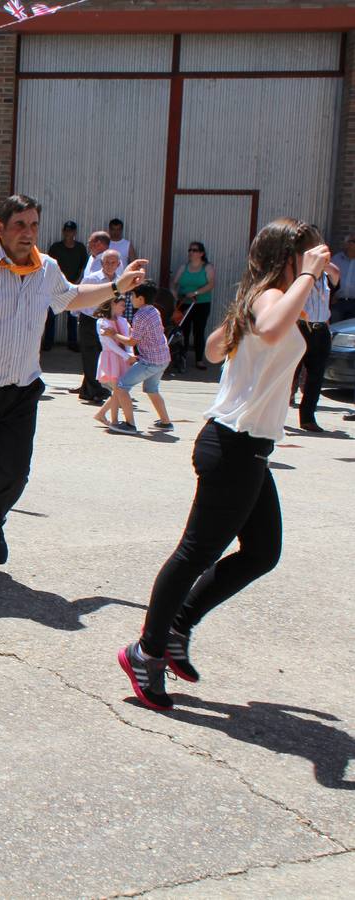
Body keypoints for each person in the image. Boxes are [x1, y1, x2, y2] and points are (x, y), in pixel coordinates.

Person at [117, 219, 328, 711]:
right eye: (310, 253)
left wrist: (248, 323)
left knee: (261, 551)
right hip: (232, 446)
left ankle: (177, 628)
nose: (319, 258)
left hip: (248, 448)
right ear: (289, 257)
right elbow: (272, 329)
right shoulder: (270, 300)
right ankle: (145, 651)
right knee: (195, 553)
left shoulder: (263, 298)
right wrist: (307, 279)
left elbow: (213, 350)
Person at [0, 194, 148, 579]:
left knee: (16, 474)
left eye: (34, 225)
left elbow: (71, 298)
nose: (28, 233)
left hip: (22, 390)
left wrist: (117, 286)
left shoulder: (46, 269)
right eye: (20, 225)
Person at [111, 283, 174, 432]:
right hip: (163, 358)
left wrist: (113, 334)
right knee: (152, 389)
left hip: (150, 361)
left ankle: (130, 424)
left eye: (132, 296)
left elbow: (132, 341)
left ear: (141, 298)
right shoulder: (154, 310)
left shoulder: (140, 315)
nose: (130, 299)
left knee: (121, 386)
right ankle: (166, 422)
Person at [293, 264, 340, 432]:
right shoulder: (300, 276)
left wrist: (323, 262)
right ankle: (276, 413)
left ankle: (307, 418)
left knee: (316, 376)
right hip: (300, 328)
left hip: (320, 329)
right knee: (289, 373)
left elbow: (336, 274)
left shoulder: (326, 278)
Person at [75, 234, 115, 403]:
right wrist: (76, 313)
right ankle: (92, 390)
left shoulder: (118, 280)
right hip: (89, 317)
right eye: (107, 263)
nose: (110, 265)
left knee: (99, 355)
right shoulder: (93, 274)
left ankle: (89, 388)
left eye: (113, 263)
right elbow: (80, 293)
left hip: (105, 319)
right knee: (90, 354)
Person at [91, 295, 135, 431]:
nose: (124, 308)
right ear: (112, 304)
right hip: (111, 359)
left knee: (119, 391)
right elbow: (109, 344)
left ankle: (102, 414)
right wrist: (125, 355)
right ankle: (114, 421)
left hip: (123, 359)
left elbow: (129, 340)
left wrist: (130, 353)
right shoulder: (102, 322)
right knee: (117, 390)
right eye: (121, 305)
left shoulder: (123, 321)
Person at [171, 241, 216, 370]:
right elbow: (174, 282)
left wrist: (196, 292)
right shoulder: (183, 267)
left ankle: (199, 360)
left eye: (194, 250)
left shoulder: (207, 267)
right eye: (190, 250)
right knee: (182, 330)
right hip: (184, 303)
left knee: (199, 331)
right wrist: (174, 293)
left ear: (201, 253)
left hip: (201, 303)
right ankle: (182, 357)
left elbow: (211, 284)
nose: (191, 252)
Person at [44, 220, 86, 352]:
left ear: (75, 232)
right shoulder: (56, 247)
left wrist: (77, 282)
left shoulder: (80, 248)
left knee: (72, 316)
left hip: (72, 286)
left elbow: (82, 267)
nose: (69, 233)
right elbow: (49, 266)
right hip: (55, 286)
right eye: (66, 230)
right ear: (63, 231)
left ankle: (72, 343)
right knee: (51, 316)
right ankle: (48, 342)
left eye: (71, 231)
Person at [331, 233, 355, 323]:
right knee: (335, 330)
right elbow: (327, 277)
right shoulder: (336, 259)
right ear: (346, 244)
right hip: (338, 303)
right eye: (352, 242)